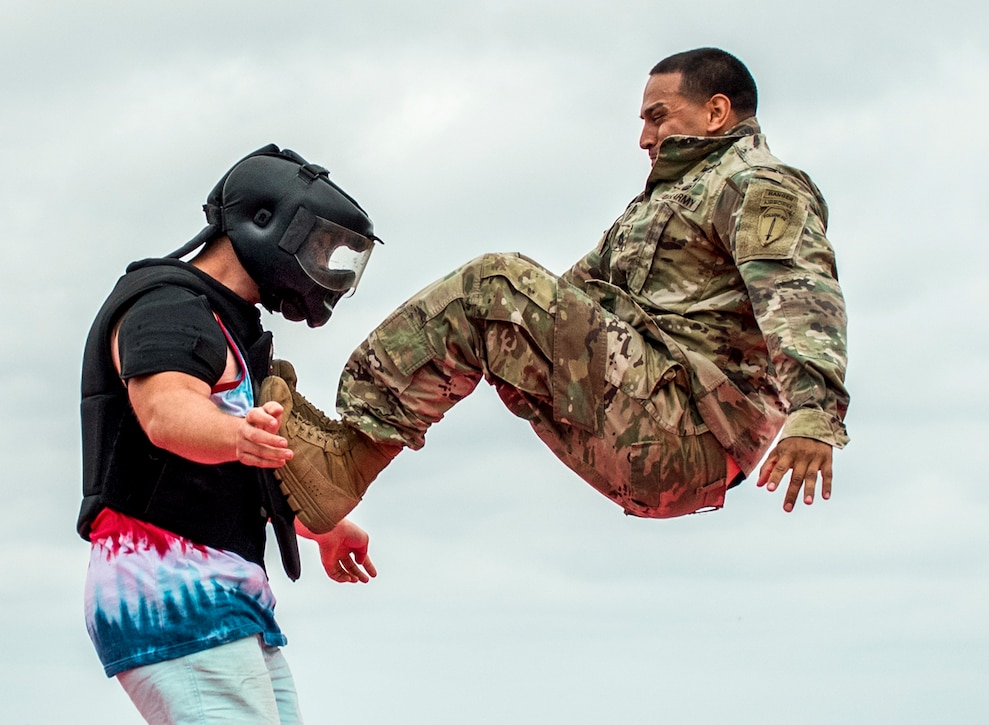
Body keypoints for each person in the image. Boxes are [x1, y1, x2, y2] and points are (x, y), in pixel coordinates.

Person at [265, 47, 850, 536]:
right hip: (650, 416)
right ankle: (339, 460)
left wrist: (814, 414)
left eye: (658, 115)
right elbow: (575, 297)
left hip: (686, 427)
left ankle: (346, 464)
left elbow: (800, 290)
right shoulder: (666, 200)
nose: (644, 136)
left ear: (717, 111)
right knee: (498, 304)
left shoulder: (757, 183)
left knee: (493, 284)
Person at [78, 145, 382, 724]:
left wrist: (319, 528)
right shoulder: (167, 307)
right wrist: (240, 436)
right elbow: (166, 412)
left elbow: (207, 473)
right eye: (320, 247)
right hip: (172, 595)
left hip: (219, 595)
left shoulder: (229, 325)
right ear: (265, 224)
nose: (328, 272)